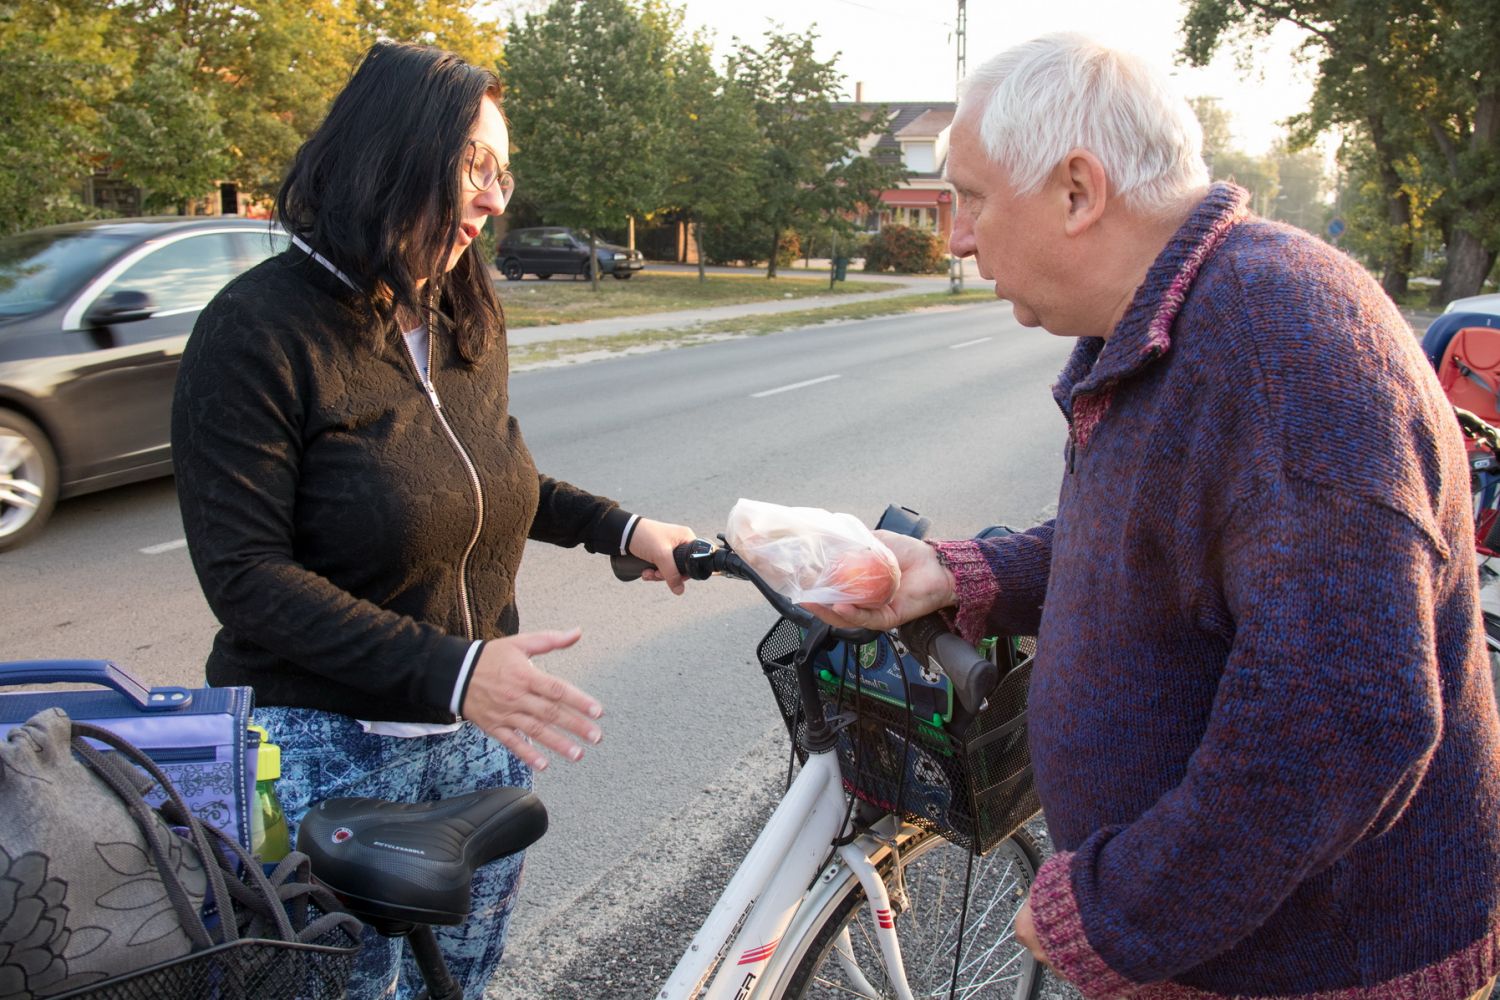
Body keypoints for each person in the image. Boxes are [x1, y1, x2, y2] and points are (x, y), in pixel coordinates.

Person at [810, 33, 1500, 1000]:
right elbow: (1168, 545)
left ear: (1077, 192)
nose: (956, 238)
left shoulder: (1284, 346)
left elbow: (1345, 716)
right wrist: (963, 573)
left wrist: (1120, 912)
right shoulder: (1173, 322)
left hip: (1309, 972)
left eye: (971, 198)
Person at [171, 41, 696, 998]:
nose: (495, 199)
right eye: (475, 166)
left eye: (505, 174)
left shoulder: (460, 312)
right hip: (319, 749)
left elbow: (490, 479)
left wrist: (624, 531)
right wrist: (455, 671)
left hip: (475, 742)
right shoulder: (256, 329)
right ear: (392, 151)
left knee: (460, 982)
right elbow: (246, 579)